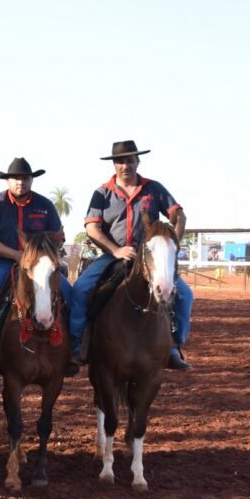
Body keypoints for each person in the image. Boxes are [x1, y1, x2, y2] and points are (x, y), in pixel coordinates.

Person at [69, 140, 194, 371]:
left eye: (130, 160)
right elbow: (92, 229)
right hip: (112, 256)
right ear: (114, 165)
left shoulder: (154, 188)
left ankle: (173, 347)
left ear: (138, 162)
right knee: (81, 290)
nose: (125, 165)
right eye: (120, 161)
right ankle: (77, 346)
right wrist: (115, 250)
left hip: (149, 258)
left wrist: (170, 244)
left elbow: (179, 216)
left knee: (185, 295)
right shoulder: (102, 193)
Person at [0, 157, 75, 378]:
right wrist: (17, 255)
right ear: (7, 181)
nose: (21, 182)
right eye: (15, 178)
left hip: (39, 266)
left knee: (70, 296)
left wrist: (43, 255)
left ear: (31, 180)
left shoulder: (45, 205)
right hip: (2, 261)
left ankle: (72, 350)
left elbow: (58, 237)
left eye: (25, 178)